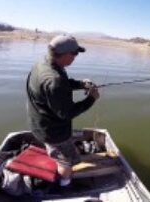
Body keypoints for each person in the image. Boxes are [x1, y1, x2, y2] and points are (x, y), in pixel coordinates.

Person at [26, 35, 99, 187]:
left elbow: (61, 85)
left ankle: (53, 155)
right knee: (66, 161)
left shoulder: (44, 63)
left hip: (40, 124)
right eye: (75, 54)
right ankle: (65, 182)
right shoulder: (54, 80)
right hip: (54, 132)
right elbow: (67, 113)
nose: (75, 57)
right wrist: (91, 99)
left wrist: (80, 84)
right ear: (65, 54)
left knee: (56, 150)